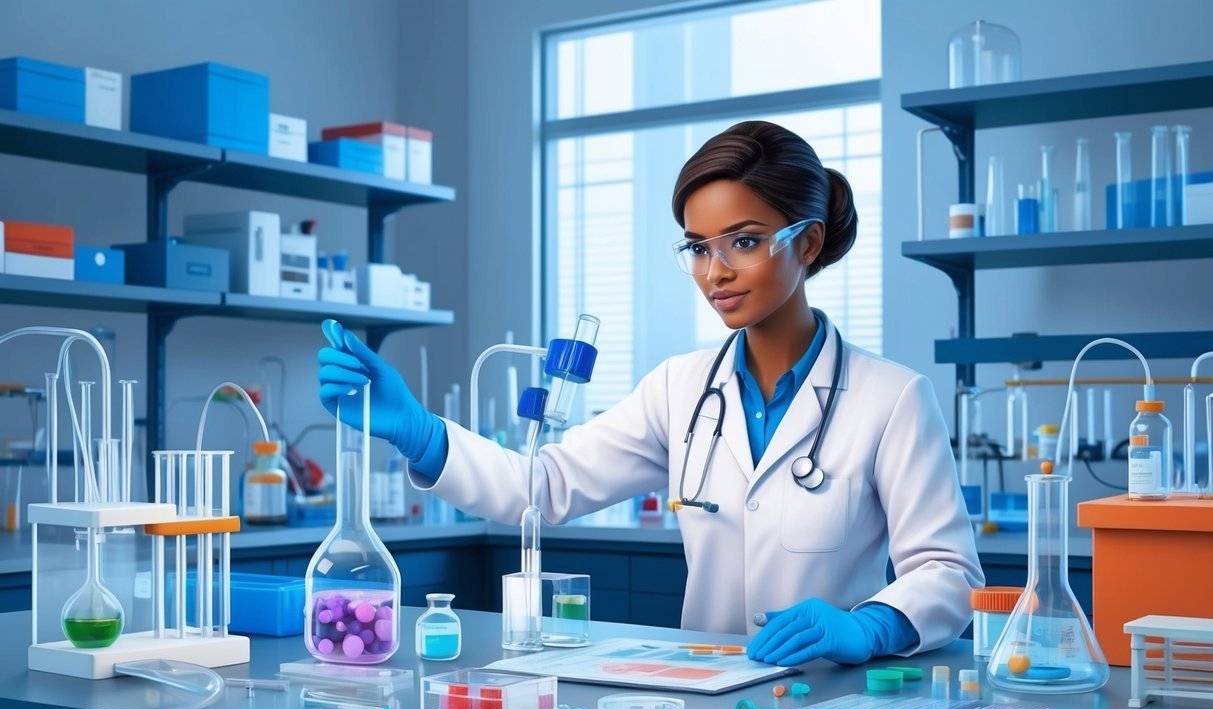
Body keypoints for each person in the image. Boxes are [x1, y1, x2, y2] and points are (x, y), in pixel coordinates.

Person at [318, 121, 984, 667]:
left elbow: (950, 575)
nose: (714, 271)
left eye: (744, 242)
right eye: (697, 247)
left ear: (807, 242)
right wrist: (418, 432)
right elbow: (543, 487)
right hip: (709, 695)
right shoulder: (680, 387)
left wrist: (868, 627)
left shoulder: (892, 398)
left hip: (832, 700)